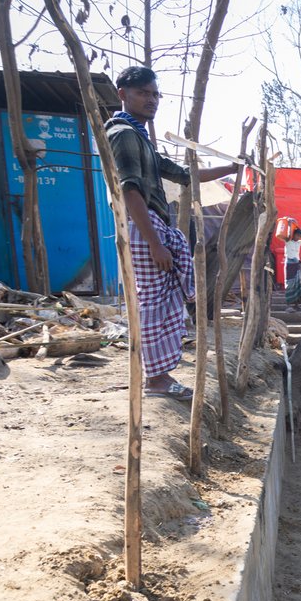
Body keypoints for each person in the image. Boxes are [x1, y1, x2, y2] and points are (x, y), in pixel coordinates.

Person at [106, 66, 238, 401]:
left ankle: (160, 376)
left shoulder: (139, 137)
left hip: (150, 225)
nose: (151, 100)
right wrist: (155, 243)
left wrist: (230, 168)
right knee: (153, 304)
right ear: (123, 94)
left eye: (155, 94)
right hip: (142, 225)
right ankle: (155, 381)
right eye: (143, 93)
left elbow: (182, 174)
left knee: (164, 303)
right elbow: (130, 190)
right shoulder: (123, 134)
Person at [283, 225, 301, 312]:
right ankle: (289, 306)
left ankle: (297, 305)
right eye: (296, 235)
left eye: (299, 236)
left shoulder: (299, 243)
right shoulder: (288, 241)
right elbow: (286, 235)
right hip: (290, 265)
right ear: (293, 234)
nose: (298, 237)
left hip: (297, 265)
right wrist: (290, 225)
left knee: (297, 285)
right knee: (290, 285)